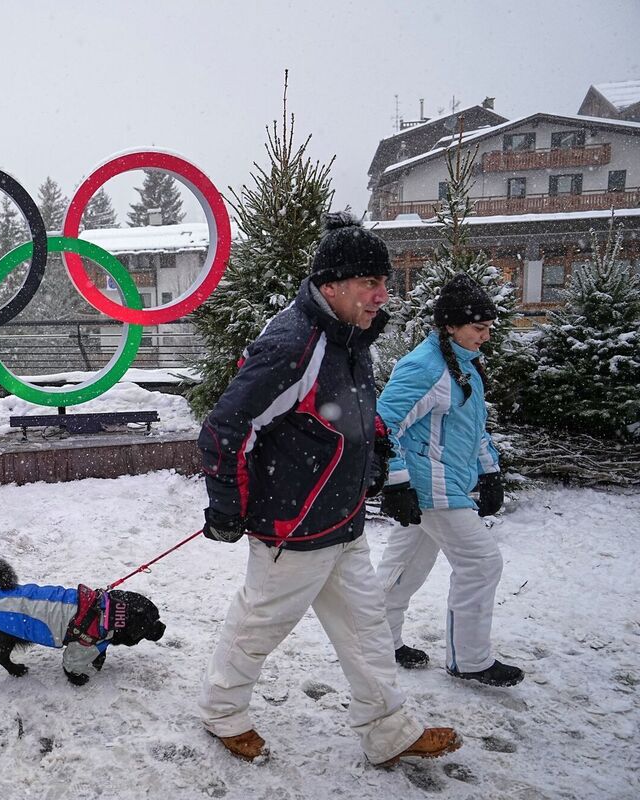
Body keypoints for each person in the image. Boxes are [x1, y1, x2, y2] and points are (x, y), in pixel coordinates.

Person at [196, 211, 461, 766]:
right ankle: (223, 713)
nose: (381, 296)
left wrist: (387, 477)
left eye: (384, 284)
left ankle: (388, 731)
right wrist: (226, 508)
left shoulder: (348, 337)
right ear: (332, 286)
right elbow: (227, 428)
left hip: (340, 521)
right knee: (258, 626)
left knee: (367, 630)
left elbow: (360, 421)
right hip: (291, 527)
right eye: (371, 284)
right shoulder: (296, 345)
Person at [375, 274, 523, 687]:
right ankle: (471, 660)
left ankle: (377, 641)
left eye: (489, 328)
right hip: (431, 488)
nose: (486, 336)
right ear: (450, 326)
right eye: (479, 328)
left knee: (405, 567)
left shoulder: (463, 365)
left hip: (447, 485)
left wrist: (490, 472)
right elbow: (383, 426)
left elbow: (471, 427)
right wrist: (398, 482)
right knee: (481, 563)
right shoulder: (424, 367)